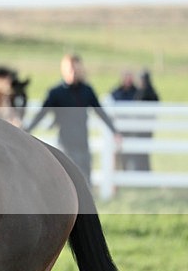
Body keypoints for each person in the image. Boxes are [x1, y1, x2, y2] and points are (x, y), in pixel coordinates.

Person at [25, 54, 121, 184]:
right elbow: (42, 113)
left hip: (83, 143)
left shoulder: (87, 91)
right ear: (63, 70)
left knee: (86, 182)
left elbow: (100, 111)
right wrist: (26, 130)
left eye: (76, 69)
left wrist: (114, 131)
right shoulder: (56, 93)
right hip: (65, 145)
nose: (73, 72)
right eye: (70, 69)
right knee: (69, 181)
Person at [131, 69, 160, 171]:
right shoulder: (152, 92)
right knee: (143, 150)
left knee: (143, 150)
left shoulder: (145, 92)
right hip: (145, 126)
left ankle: (143, 170)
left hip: (144, 127)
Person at [110, 71, 139, 170]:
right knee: (117, 153)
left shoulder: (137, 92)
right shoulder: (117, 92)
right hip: (119, 127)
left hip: (132, 128)